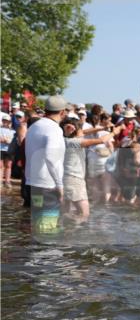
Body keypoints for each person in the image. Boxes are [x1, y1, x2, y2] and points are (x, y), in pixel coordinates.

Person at [25, 95, 68, 236]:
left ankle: (35, 256)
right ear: (62, 112)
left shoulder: (34, 126)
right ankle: (44, 256)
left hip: (33, 183)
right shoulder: (54, 129)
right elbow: (51, 157)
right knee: (47, 229)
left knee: (38, 225)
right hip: (48, 186)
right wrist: (60, 185)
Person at [61, 117, 113, 219]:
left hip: (66, 178)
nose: (83, 131)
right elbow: (102, 140)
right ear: (74, 130)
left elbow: (85, 131)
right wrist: (114, 132)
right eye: (80, 128)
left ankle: (65, 231)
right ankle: (71, 231)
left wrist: (102, 128)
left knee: (66, 211)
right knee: (84, 213)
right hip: (74, 179)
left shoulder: (64, 139)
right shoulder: (75, 142)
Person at [0, 114, 14, 185]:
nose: (6, 122)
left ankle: (7, 181)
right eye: (4, 121)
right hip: (1, 149)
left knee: (8, 165)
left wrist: (8, 141)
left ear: (9, 122)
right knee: (0, 165)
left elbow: (13, 141)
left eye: (7, 121)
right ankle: (0, 181)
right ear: (2, 121)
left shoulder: (12, 131)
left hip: (9, 150)